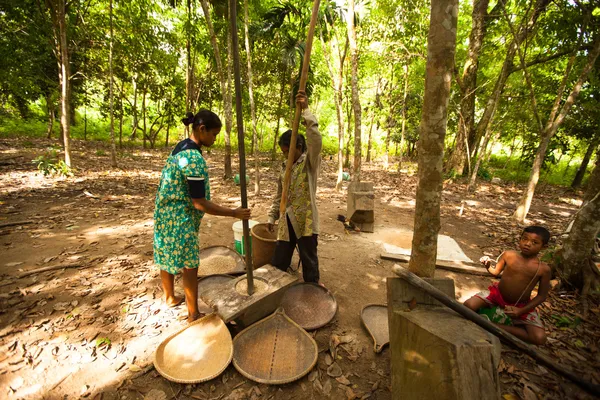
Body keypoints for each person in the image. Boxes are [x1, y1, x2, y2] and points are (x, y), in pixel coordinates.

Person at [154, 109, 251, 322]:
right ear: (202, 129)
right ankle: (193, 314)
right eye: (214, 134)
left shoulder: (181, 147)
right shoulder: (193, 159)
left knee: (166, 255)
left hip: (164, 212)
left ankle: (170, 297)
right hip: (180, 217)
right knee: (190, 264)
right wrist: (234, 212)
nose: (215, 139)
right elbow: (199, 203)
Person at [267, 91, 322, 284]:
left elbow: (315, 140)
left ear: (299, 147)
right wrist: (272, 216)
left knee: (309, 262)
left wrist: (306, 111)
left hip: (305, 221)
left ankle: (313, 294)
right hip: (286, 219)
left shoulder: (309, 163)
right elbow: (279, 194)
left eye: (288, 152)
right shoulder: (285, 167)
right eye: (283, 153)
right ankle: (273, 293)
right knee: (279, 261)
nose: (285, 156)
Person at [464, 226, 551, 345]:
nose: (527, 244)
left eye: (534, 242)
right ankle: (487, 323)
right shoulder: (508, 255)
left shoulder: (543, 269)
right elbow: (495, 272)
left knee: (539, 338)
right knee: (468, 305)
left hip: (520, 305)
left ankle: (490, 325)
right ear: (520, 239)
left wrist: (521, 311)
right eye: (524, 239)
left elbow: (542, 296)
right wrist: (488, 265)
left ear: (544, 247)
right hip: (496, 295)